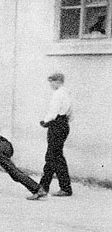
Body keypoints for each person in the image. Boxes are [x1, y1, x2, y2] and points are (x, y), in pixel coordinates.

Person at [28, 72, 73, 200]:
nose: (51, 85)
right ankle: (46, 186)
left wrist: (45, 121)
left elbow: (53, 112)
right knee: (54, 156)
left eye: (52, 82)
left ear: (57, 81)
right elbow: (70, 113)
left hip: (56, 125)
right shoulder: (67, 93)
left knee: (54, 156)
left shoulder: (58, 94)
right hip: (63, 124)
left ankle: (60, 187)